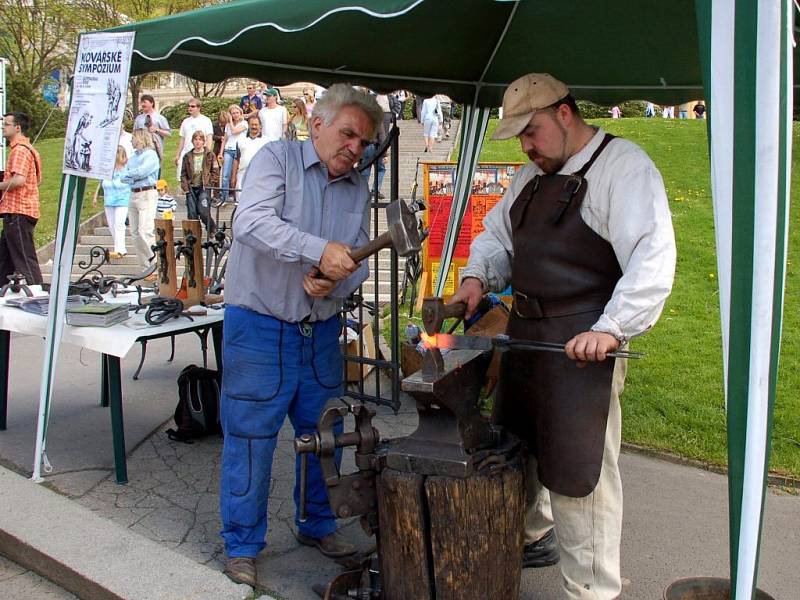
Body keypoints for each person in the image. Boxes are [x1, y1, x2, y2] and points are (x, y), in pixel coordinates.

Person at [450, 73, 676, 600]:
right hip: (526, 338)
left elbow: (652, 256)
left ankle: (593, 590)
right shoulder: (531, 176)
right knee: (518, 450)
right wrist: (476, 277)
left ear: (565, 113)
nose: (527, 147)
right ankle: (532, 536)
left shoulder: (624, 168)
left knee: (580, 477)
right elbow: (499, 236)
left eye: (531, 132)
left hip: (583, 348)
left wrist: (611, 328)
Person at [218, 83, 383, 588]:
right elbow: (250, 223)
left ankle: (318, 523)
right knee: (250, 438)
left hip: (320, 330)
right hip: (260, 325)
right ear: (316, 124)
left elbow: (355, 261)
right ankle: (242, 544)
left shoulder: (357, 187)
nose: (355, 147)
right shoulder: (277, 160)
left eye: (364, 141)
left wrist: (336, 275)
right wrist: (315, 250)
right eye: (348, 133)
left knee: (324, 436)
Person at [0, 112, 43, 285]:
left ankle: (38, 295)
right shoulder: (30, 150)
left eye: (6, 124)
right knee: (4, 259)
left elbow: (19, 180)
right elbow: (37, 180)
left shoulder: (19, 151)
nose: (3, 127)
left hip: (19, 211)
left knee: (25, 259)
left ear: (18, 128)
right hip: (17, 211)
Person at [122, 129, 161, 277]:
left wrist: (132, 175)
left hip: (146, 193)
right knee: (135, 233)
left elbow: (142, 172)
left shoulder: (150, 155)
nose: (131, 141)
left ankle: (155, 261)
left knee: (145, 230)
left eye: (133, 138)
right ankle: (145, 267)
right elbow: (124, 177)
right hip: (133, 193)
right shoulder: (132, 158)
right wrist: (133, 175)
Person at [92, 145, 131, 259]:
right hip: (109, 200)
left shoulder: (127, 170)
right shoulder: (108, 170)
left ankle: (120, 250)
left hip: (122, 200)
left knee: (119, 224)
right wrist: (95, 196)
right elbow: (101, 183)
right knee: (111, 225)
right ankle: (118, 247)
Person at [180, 130, 219, 233]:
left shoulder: (210, 154)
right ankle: (195, 236)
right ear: (192, 141)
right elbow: (183, 173)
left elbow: (215, 170)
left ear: (203, 141)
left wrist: (210, 183)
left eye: (200, 139)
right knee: (192, 214)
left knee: (203, 211)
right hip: (191, 188)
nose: (198, 142)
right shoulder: (187, 156)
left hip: (204, 187)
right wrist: (185, 187)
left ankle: (212, 228)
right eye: (195, 139)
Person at [175, 98, 214, 182]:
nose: (190, 108)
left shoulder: (206, 120)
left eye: (193, 106)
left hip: (200, 154)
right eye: (189, 106)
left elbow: (209, 138)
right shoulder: (185, 121)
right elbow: (182, 139)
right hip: (186, 154)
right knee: (183, 179)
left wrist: (208, 153)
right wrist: (178, 155)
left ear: (199, 108)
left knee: (198, 180)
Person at [231, 116, 268, 191]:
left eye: (256, 125)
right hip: (242, 173)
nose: (254, 126)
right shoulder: (241, 140)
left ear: (260, 126)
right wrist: (233, 177)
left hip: (260, 175)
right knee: (240, 199)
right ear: (248, 125)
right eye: (252, 124)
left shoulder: (267, 141)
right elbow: (236, 159)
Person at [132, 94, 171, 163]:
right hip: (141, 150)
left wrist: (156, 130)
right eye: (142, 102)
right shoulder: (138, 119)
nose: (143, 104)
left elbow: (168, 134)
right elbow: (134, 134)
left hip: (155, 150)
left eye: (145, 102)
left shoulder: (160, 118)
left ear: (152, 103)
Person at [219, 105, 246, 201]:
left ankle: (237, 196)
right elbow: (225, 139)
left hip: (239, 150)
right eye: (233, 113)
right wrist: (221, 153)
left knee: (237, 174)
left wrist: (230, 122)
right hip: (228, 149)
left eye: (237, 113)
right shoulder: (227, 126)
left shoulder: (244, 123)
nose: (235, 115)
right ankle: (224, 197)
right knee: (226, 174)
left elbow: (235, 131)